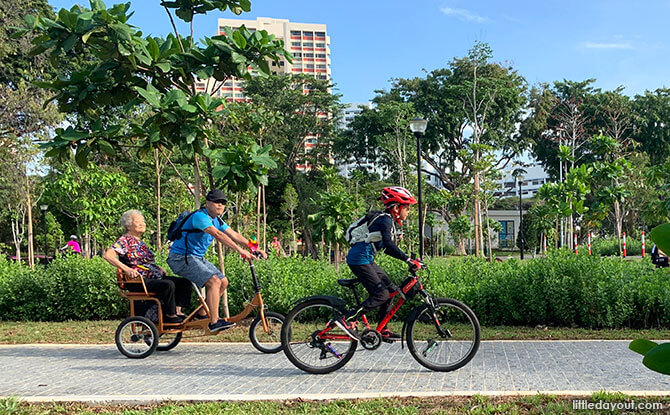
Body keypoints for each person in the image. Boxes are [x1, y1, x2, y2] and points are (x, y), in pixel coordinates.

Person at [167, 189, 266, 333]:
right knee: (214, 282)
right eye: (217, 202)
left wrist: (255, 248)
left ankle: (201, 314)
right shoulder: (200, 217)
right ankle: (214, 322)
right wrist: (240, 251)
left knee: (223, 281)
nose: (220, 205)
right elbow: (218, 235)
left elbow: (234, 235)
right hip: (181, 258)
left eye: (223, 203)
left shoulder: (217, 220)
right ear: (207, 203)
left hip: (196, 258)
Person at [334, 186, 423, 340]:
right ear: (396, 208)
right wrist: (408, 260)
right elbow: (389, 244)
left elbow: (387, 249)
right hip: (358, 259)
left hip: (366, 259)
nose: (408, 211)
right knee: (381, 294)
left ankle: (382, 329)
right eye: (406, 207)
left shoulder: (387, 221)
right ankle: (348, 319)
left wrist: (408, 258)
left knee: (391, 291)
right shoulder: (385, 219)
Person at [103, 210, 191, 324]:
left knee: (185, 283)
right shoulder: (125, 240)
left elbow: (144, 261)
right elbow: (108, 255)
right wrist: (127, 269)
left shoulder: (140, 242)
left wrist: (157, 267)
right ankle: (170, 314)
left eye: (143, 221)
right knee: (168, 285)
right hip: (138, 281)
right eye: (137, 221)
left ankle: (178, 312)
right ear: (128, 225)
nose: (142, 224)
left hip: (152, 278)